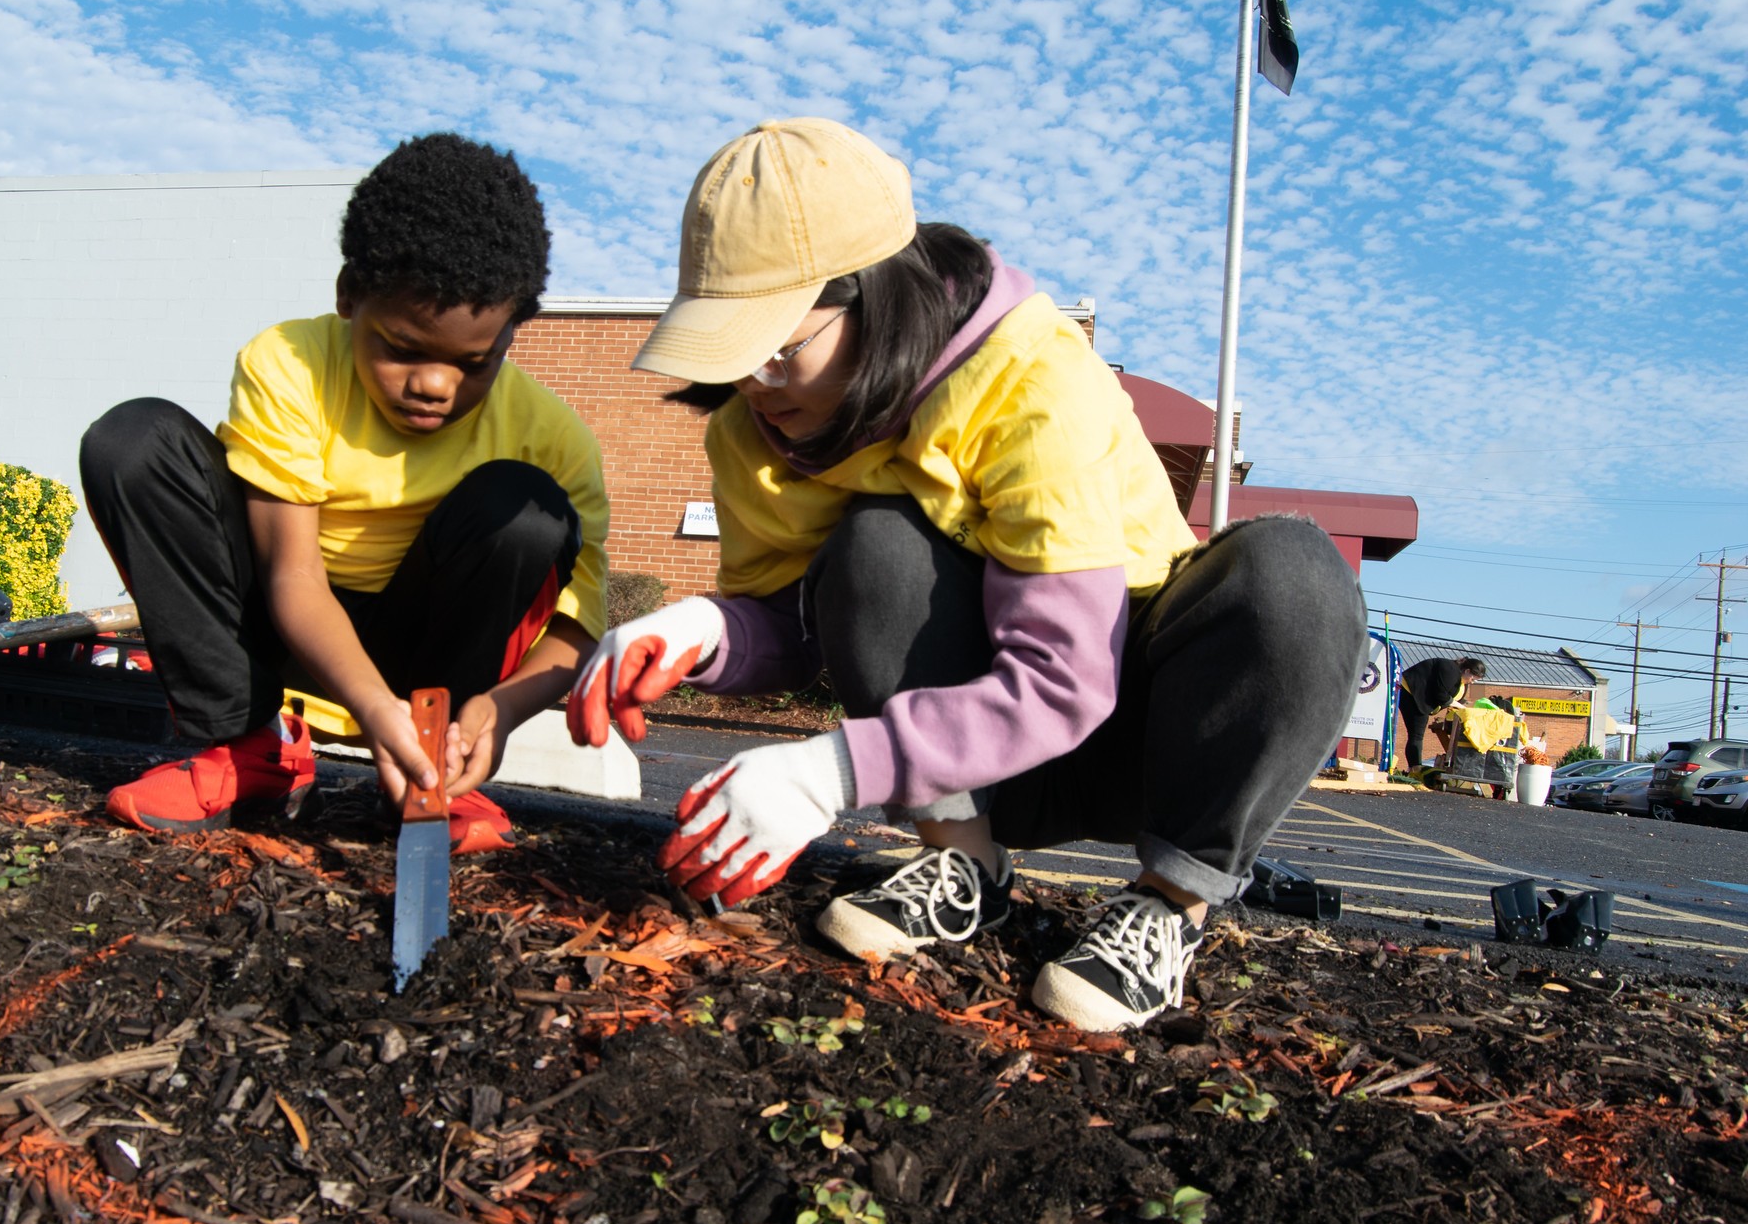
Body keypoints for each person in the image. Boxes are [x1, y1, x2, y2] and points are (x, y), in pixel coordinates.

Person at [567, 118, 1365, 1032]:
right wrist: (700, 630)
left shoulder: (1029, 376)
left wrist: (828, 774)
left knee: (1293, 573)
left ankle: (1168, 903)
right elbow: (796, 621)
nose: (755, 380)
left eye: (781, 345)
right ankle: (964, 863)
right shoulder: (751, 433)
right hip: (974, 760)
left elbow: (1068, 680)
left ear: (874, 294)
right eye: (730, 350)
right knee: (877, 540)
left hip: (1152, 735)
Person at [81, 133, 610, 853]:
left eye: (473, 363)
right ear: (348, 296)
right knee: (133, 444)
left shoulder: (551, 437)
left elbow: (576, 632)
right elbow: (292, 576)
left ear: (514, 331)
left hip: (421, 657)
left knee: (523, 509)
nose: (433, 384)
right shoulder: (290, 364)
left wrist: (500, 710)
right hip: (277, 621)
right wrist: (366, 703)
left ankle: (434, 770)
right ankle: (249, 747)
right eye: (402, 347)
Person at [1396, 655, 1486, 771]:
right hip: (1410, 692)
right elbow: (1441, 696)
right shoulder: (1450, 670)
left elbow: (1455, 700)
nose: (1472, 682)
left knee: (1417, 735)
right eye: (1473, 679)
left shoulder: (1463, 683)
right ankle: (1414, 768)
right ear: (1467, 671)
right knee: (1416, 735)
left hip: (1422, 700)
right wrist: (1460, 706)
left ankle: (1414, 767)